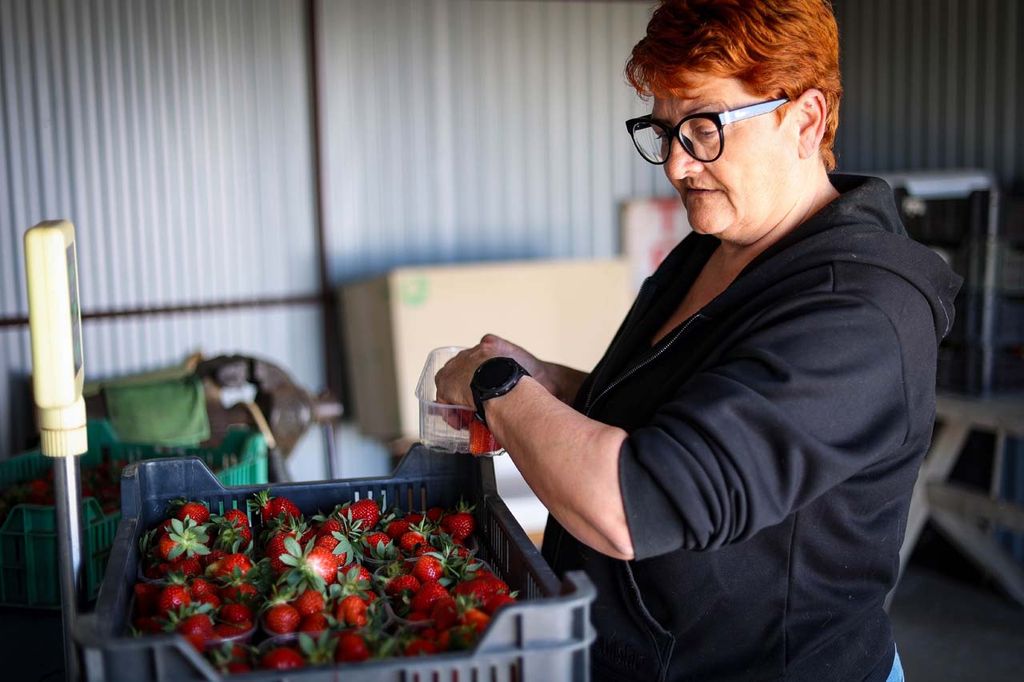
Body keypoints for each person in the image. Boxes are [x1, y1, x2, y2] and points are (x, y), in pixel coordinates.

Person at [434, 1, 962, 680]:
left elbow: (633, 503)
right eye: (665, 132)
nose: (677, 166)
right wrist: (543, 380)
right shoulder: (716, 249)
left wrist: (496, 386)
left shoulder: (860, 313)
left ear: (805, 120)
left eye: (706, 128)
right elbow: (661, 407)